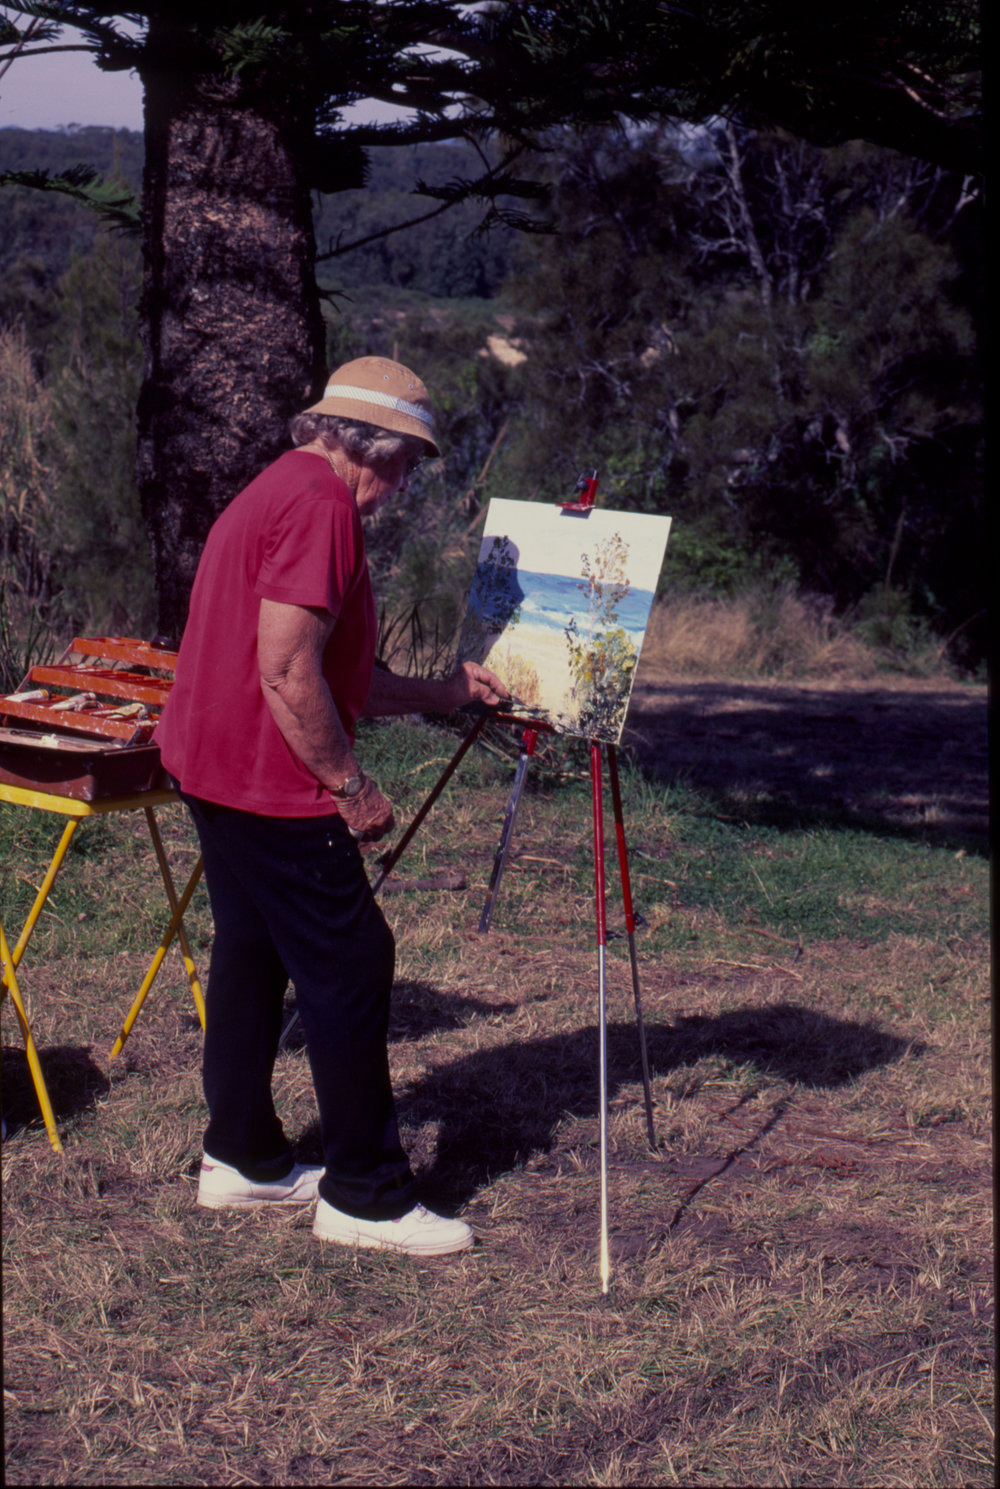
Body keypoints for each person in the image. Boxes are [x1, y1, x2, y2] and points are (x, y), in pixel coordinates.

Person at [155, 356, 507, 1257]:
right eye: (409, 463)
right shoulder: (322, 509)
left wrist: (444, 692)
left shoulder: (282, 485)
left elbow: (329, 669)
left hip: (212, 765)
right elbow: (286, 671)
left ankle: (242, 1156)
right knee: (353, 957)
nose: (404, 484)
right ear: (377, 451)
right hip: (270, 782)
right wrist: (350, 787)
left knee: (252, 946)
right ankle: (367, 1195)